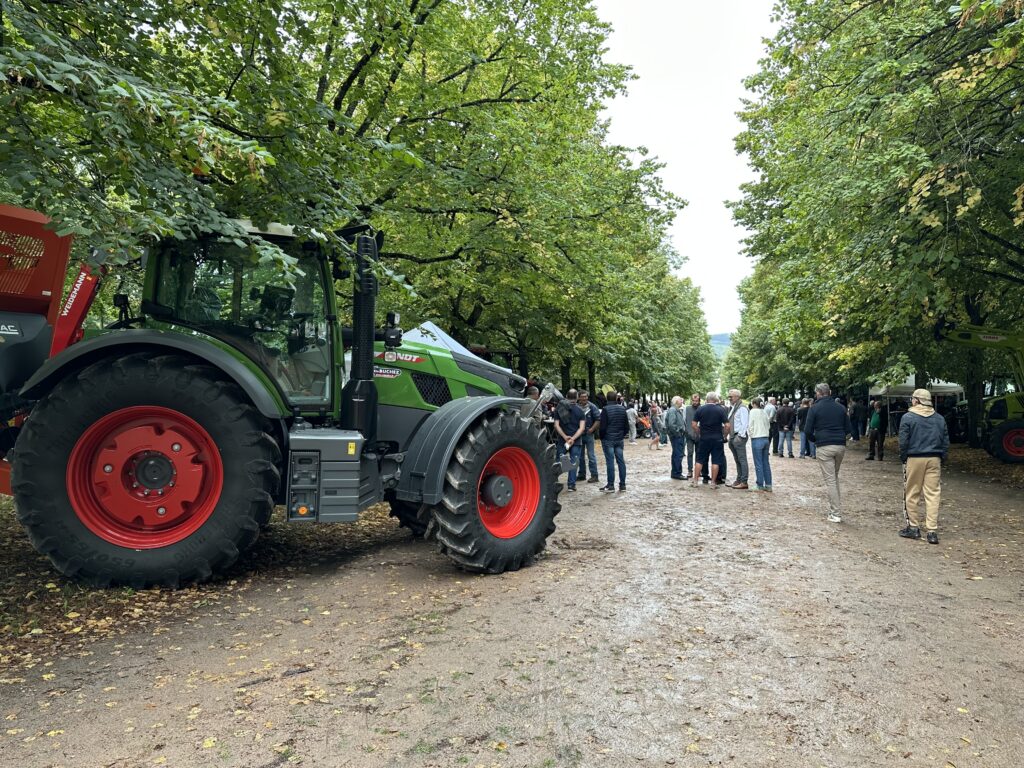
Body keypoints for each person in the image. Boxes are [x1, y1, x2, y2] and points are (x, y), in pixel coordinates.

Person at [898, 388, 949, 544]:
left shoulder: (908, 417)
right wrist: (942, 457)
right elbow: (945, 440)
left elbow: (903, 441)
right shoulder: (939, 418)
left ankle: (914, 527)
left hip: (915, 457)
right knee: (933, 494)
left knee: (912, 492)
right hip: (934, 458)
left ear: (916, 400)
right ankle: (932, 531)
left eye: (913, 398)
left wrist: (903, 457)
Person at [805, 383, 852, 523]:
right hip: (840, 446)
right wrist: (842, 439)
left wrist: (815, 440)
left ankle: (836, 513)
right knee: (834, 477)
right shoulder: (841, 408)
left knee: (831, 480)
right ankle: (835, 509)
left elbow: (807, 430)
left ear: (818, 393)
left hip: (824, 446)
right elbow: (849, 429)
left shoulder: (814, 408)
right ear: (829, 392)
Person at [691, 392, 727, 489]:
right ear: (716, 399)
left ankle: (695, 481)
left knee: (699, 460)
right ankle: (713, 483)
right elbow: (727, 425)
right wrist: (725, 435)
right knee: (716, 461)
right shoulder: (721, 410)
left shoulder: (700, 409)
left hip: (704, 438)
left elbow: (693, 424)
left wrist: (699, 432)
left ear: (706, 399)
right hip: (717, 438)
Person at [553, 389, 586, 492]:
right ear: (577, 397)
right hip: (576, 441)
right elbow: (582, 428)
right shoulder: (580, 410)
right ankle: (571, 485)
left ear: (566, 396)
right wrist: (573, 438)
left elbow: (556, 425)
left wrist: (565, 437)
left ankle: (553, 483)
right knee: (574, 461)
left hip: (563, 440)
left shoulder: (559, 409)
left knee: (558, 461)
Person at [599, 391, 628, 492]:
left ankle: (611, 485)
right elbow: (626, 426)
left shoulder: (605, 410)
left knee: (610, 462)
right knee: (621, 462)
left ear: (607, 398)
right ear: (616, 398)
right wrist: (621, 435)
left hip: (608, 439)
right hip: (619, 439)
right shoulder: (622, 409)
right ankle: (623, 485)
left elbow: (602, 427)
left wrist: (602, 437)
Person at [725, 388, 750, 489]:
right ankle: (739, 479)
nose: (729, 398)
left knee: (742, 459)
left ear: (737, 397)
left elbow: (744, 424)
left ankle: (744, 481)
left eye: (731, 396)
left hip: (738, 437)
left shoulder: (742, 408)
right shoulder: (734, 407)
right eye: (729, 396)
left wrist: (739, 437)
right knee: (738, 460)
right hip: (733, 436)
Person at [576, 390, 601, 483]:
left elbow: (598, 419)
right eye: (582, 396)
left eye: (586, 396)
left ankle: (594, 475)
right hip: (579, 435)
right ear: (579, 397)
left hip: (589, 434)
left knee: (591, 455)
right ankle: (582, 474)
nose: (584, 398)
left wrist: (592, 429)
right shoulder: (576, 407)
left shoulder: (592, 407)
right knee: (580, 456)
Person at [748, 397, 772, 491]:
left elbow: (750, 425)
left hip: (757, 438)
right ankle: (769, 484)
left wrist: (752, 434)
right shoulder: (764, 412)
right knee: (766, 462)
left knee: (758, 463)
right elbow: (768, 425)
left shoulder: (752, 412)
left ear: (754, 403)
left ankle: (760, 484)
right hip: (766, 438)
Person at [665, 396, 687, 480]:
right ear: (677, 401)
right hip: (677, 436)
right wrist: (678, 433)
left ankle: (676, 472)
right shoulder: (673, 410)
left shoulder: (674, 410)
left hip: (677, 436)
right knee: (678, 454)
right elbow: (671, 424)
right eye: (681, 400)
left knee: (677, 454)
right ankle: (677, 473)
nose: (682, 402)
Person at [682, 393, 701, 480]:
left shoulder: (702, 408)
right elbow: (684, 420)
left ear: (699, 401)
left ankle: (698, 470)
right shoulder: (686, 408)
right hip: (689, 434)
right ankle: (690, 470)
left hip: (699, 435)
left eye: (696, 401)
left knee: (699, 453)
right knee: (690, 453)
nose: (695, 402)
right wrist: (686, 430)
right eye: (693, 400)